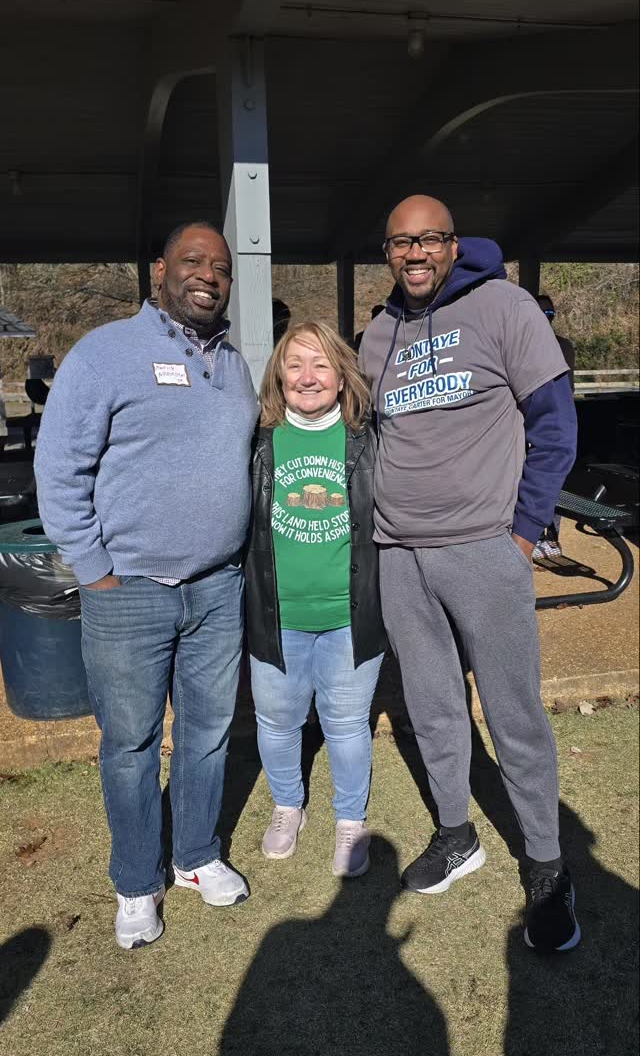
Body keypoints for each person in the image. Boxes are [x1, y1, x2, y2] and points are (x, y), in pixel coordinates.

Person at [359, 194, 580, 952]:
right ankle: (457, 833)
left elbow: (554, 420)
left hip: (485, 550)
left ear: (453, 246)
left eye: (429, 240)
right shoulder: (379, 332)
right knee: (432, 706)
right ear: (386, 253)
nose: (415, 254)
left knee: (515, 716)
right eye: (400, 243)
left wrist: (523, 534)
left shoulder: (504, 306)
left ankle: (549, 868)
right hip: (400, 554)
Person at [35, 221, 259, 950]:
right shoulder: (105, 354)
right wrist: (93, 568)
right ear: (159, 269)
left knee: (207, 734)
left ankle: (195, 856)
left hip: (216, 589)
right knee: (129, 743)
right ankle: (137, 880)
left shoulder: (232, 363)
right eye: (193, 261)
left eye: (220, 267)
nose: (208, 275)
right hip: (128, 589)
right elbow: (60, 469)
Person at [245, 321, 386, 877]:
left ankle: (350, 820)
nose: (308, 377)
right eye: (295, 364)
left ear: (341, 374)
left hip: (350, 615)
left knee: (347, 723)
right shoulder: (259, 441)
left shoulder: (366, 440)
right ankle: (287, 807)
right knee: (277, 721)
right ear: (279, 373)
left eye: (321, 364)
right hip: (277, 616)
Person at [533, 294, 576, 559]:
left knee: (554, 480)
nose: (544, 319)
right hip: (529, 424)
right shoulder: (521, 345)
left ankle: (552, 537)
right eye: (540, 313)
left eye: (549, 314)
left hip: (556, 423)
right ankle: (534, 534)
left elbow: (566, 388)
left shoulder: (563, 346)